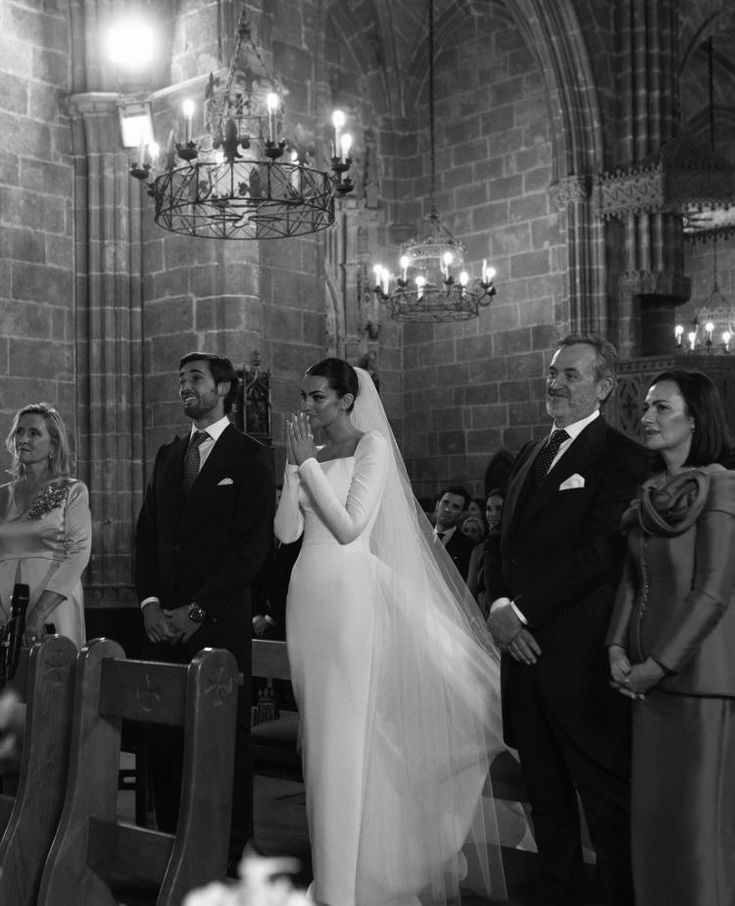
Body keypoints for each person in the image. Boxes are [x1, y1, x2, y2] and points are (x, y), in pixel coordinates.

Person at [275, 358, 508, 906]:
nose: (307, 407)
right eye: (304, 397)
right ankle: (335, 874)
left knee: (346, 735)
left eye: (318, 398)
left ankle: (343, 888)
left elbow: (351, 526)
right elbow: (287, 531)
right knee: (318, 736)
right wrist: (291, 470)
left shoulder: (371, 447)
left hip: (349, 591)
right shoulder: (308, 454)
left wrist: (308, 466)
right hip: (305, 592)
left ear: (348, 400)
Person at [487, 334, 647, 906]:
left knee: (605, 806)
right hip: (523, 659)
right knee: (546, 804)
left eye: (571, 375)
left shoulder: (625, 457)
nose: (555, 383)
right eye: (552, 372)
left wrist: (522, 612)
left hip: (578, 661)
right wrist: (500, 607)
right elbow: (502, 544)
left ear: (604, 387)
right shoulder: (531, 451)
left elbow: (601, 551)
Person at [134, 352, 274, 864]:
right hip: (161, 625)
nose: (184, 387)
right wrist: (150, 604)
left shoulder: (250, 454)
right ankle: (171, 843)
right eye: (180, 380)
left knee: (223, 743)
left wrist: (196, 611)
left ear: (224, 388)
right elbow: (147, 537)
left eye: (194, 378)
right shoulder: (169, 454)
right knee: (167, 737)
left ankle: (232, 849)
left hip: (217, 622)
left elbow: (251, 549)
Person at [606, 369, 735, 906]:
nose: (646, 417)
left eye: (662, 408)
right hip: (643, 682)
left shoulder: (723, 484)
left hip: (697, 679)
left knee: (696, 830)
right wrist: (615, 646)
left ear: (695, 419)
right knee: (654, 826)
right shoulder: (650, 489)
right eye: (648, 408)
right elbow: (632, 580)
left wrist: (658, 665)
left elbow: (714, 590)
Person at [0, 403, 91, 648]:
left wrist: (39, 612)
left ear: (53, 445)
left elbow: (78, 555)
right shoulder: (2, 495)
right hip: (4, 611)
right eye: (19, 432)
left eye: (33, 433)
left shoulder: (72, 491)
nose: (23, 439)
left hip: (54, 605)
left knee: (51, 679)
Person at [467, 489, 504, 616]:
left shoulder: (516, 546)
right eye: (488, 509)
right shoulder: (479, 551)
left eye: (499, 509)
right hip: (482, 620)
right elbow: (470, 595)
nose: (492, 514)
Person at [433, 485, 476, 580]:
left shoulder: (468, 547)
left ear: (462, 514)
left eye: (455, 507)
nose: (447, 509)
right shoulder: (420, 537)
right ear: (437, 505)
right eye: (445, 503)